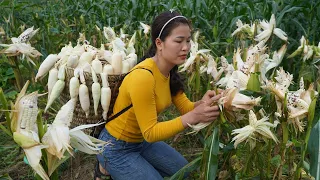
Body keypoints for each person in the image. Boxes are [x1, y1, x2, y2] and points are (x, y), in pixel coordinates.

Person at [95, 10, 221, 180]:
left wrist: (203, 104)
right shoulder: (143, 77)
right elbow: (151, 132)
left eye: (188, 41)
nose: (186, 47)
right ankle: (104, 169)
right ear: (159, 43)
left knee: (186, 173)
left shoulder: (169, 71)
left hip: (141, 143)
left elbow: (186, 108)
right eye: (178, 41)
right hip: (116, 147)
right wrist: (193, 117)